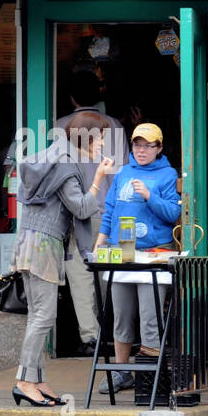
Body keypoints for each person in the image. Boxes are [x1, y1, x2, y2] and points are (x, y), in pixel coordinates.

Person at [10, 110, 114, 406]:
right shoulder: (66, 165)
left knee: (39, 315)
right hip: (44, 246)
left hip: (30, 242)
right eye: (100, 140)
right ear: (89, 136)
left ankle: (38, 381)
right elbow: (81, 208)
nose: (101, 146)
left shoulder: (51, 156)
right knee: (44, 316)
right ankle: (24, 382)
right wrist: (97, 179)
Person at [94, 123, 181, 393]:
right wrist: (100, 242)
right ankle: (122, 372)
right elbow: (110, 210)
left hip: (154, 255)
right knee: (120, 315)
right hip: (122, 253)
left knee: (150, 316)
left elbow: (172, 214)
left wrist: (148, 195)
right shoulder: (122, 172)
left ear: (159, 148)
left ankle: (150, 375)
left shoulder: (168, 175)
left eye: (148, 145)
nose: (142, 150)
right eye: (137, 145)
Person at [52, 70, 126, 356]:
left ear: (70, 97)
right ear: (99, 94)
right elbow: (122, 171)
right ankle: (115, 332)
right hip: (111, 212)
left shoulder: (61, 126)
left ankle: (91, 337)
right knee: (112, 273)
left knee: (80, 274)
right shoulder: (116, 126)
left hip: (75, 213)